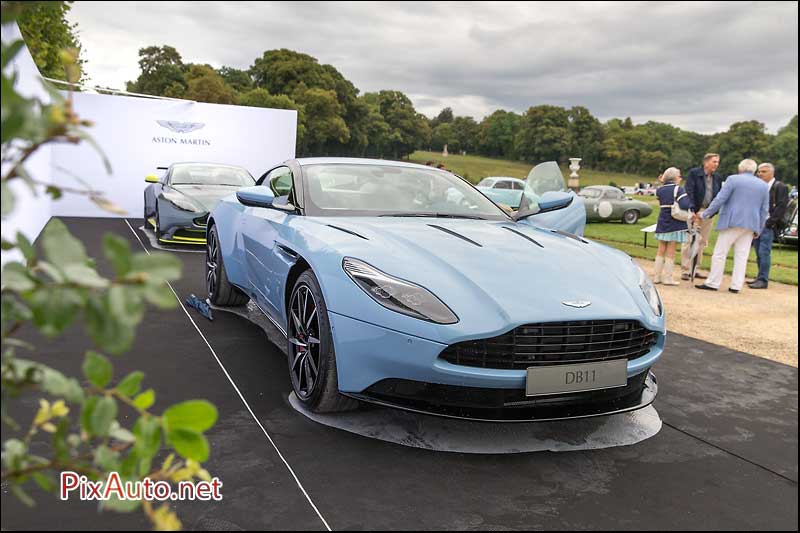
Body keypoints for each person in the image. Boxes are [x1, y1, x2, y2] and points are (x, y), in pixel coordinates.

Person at [695, 159, 769, 293]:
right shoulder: (763, 185)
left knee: (720, 253)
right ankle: (736, 285)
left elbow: (720, 199)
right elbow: (764, 209)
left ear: (740, 169)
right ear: (754, 170)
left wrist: (705, 214)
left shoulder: (733, 179)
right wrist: (759, 227)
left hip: (732, 221)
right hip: (751, 224)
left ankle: (713, 282)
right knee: (742, 255)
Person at [681, 153, 723, 280]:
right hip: (695, 210)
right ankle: (686, 269)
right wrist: (693, 210)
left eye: (717, 162)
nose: (716, 164)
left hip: (708, 212)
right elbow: (690, 191)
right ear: (706, 162)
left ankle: (695, 268)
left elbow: (719, 195)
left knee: (702, 241)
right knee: (690, 240)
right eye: (714, 161)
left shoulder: (717, 177)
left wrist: (713, 211)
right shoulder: (694, 173)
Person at [748, 162, 790, 289]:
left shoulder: (780, 186)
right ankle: (759, 277)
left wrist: (770, 223)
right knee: (758, 252)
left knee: (764, 252)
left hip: (768, 225)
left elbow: (781, 206)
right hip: (756, 223)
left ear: (772, 173)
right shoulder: (758, 185)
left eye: (763, 171)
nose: (760, 174)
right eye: (759, 171)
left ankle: (763, 280)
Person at [653, 167, 690, 285]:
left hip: (663, 220)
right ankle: (668, 278)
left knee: (661, 249)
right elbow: (684, 204)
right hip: (675, 222)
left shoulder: (660, 190)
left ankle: (657, 276)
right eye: (679, 176)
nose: (680, 178)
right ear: (674, 177)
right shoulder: (679, 189)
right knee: (671, 249)